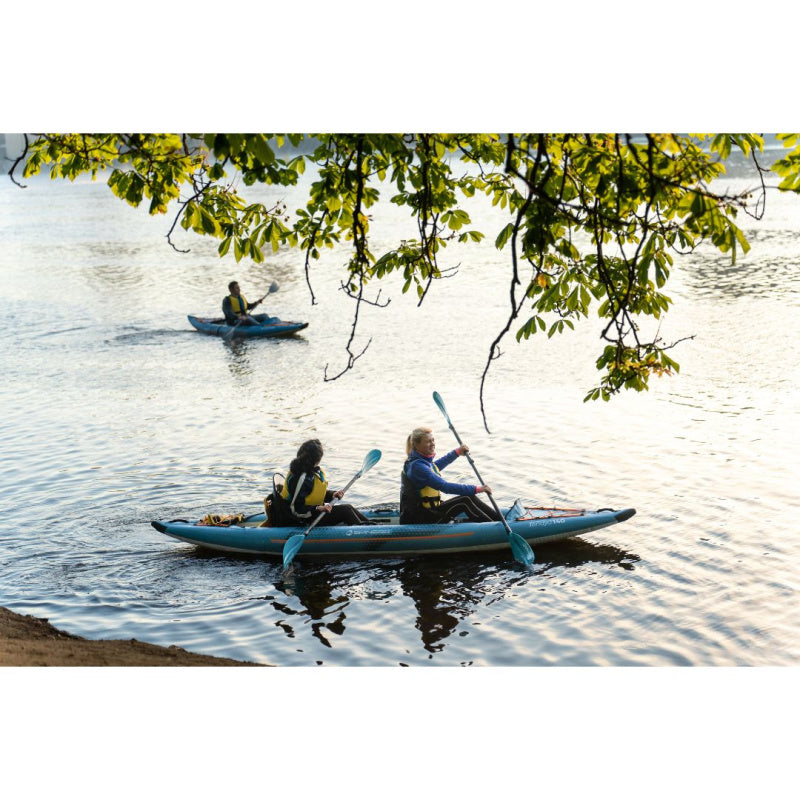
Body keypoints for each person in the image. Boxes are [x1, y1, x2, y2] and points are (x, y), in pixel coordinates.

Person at [400, 427, 502, 524]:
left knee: (469, 496)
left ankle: (499, 521)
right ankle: (498, 530)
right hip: (421, 518)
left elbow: (435, 467)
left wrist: (456, 453)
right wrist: (478, 489)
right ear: (416, 445)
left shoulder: (420, 462)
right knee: (464, 502)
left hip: (428, 511)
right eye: (428, 441)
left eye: (433, 440)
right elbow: (445, 487)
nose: (432, 444)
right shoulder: (417, 467)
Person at [279, 439, 372, 526]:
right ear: (317, 459)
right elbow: (295, 510)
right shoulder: (300, 478)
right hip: (299, 519)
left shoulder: (313, 472)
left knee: (348, 507)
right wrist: (318, 508)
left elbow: (313, 494)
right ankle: (367, 534)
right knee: (345, 511)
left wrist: (332, 494)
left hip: (311, 513)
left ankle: (372, 527)